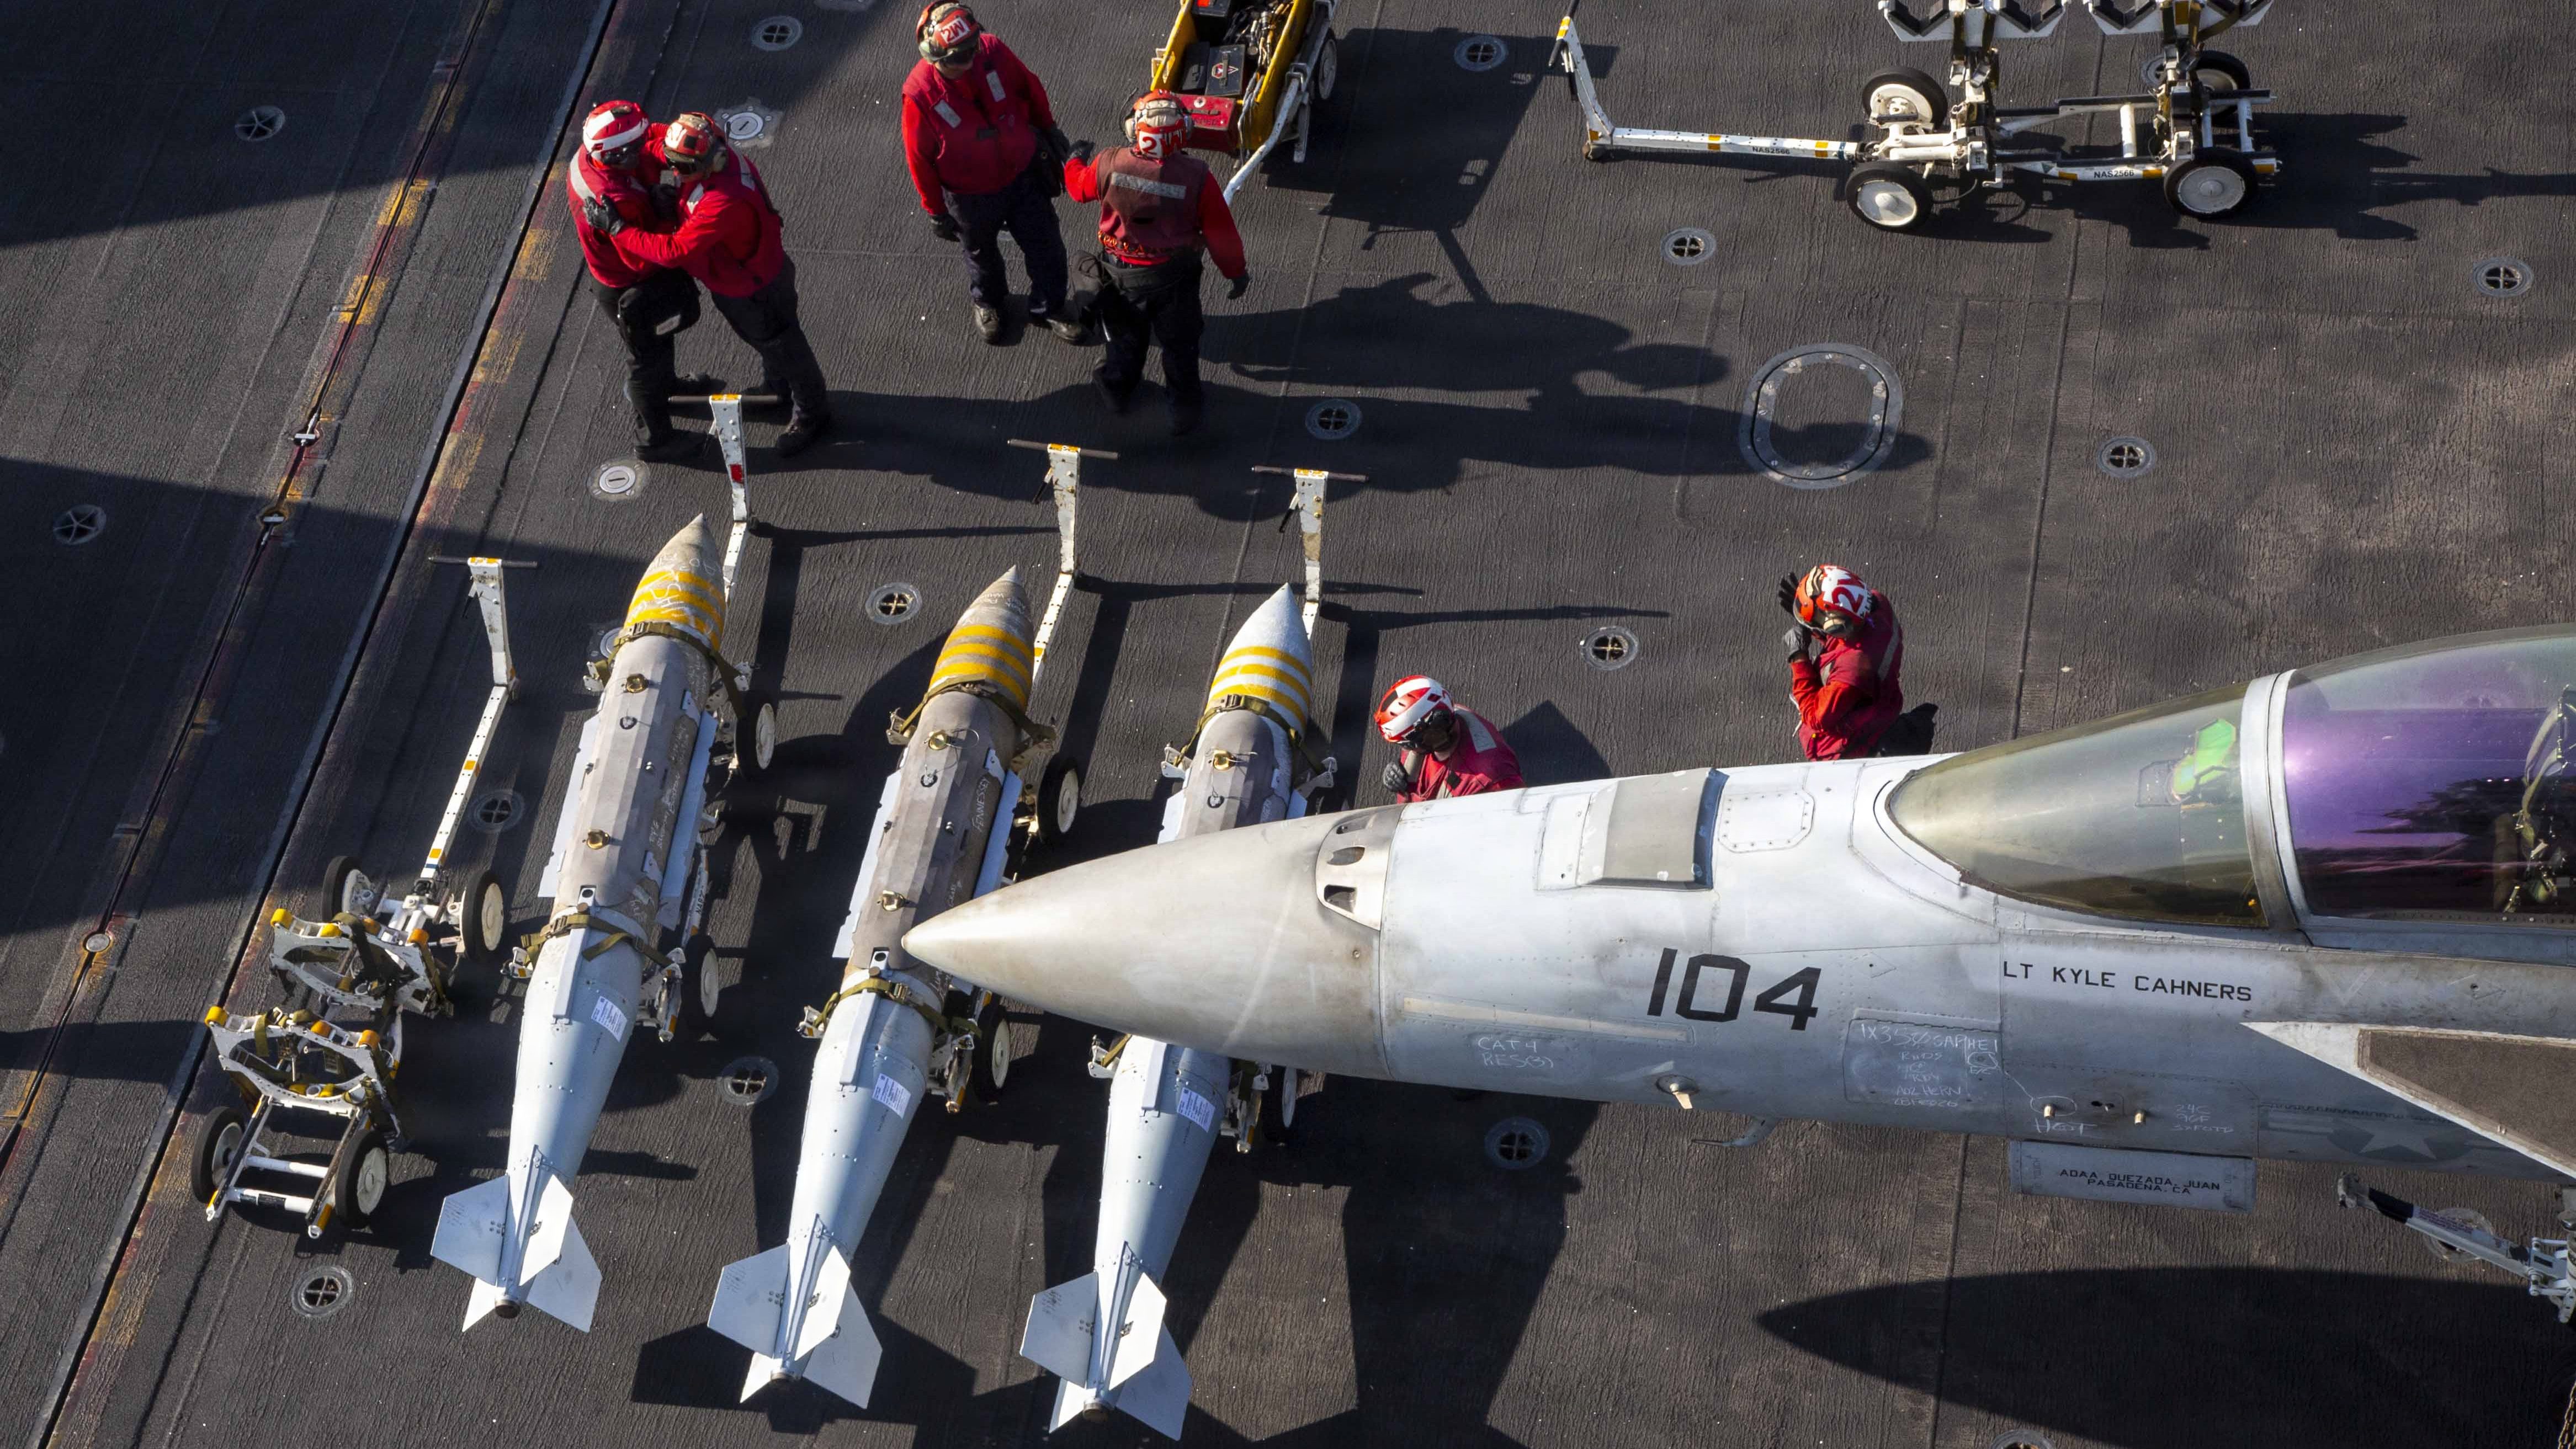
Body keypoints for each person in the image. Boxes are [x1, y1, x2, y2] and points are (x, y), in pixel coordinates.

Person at [586, 113, 833, 458]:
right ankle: (777, 391)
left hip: (753, 291)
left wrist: (618, 229)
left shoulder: (722, 201)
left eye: (681, 168)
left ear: (706, 165)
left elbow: (673, 251)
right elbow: (656, 139)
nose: (674, 172)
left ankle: (811, 413)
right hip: (748, 280)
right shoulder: (712, 156)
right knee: (768, 342)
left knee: (785, 348)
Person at [1063, 92, 1249, 436]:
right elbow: (1222, 235)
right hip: (1174, 280)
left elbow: (1077, 189)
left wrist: (1074, 160)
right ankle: (1184, 410)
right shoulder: (1197, 176)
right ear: (1184, 132)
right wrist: (1236, 274)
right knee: (1180, 346)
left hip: (1121, 278)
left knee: (1124, 340)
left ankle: (1117, 390)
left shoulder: (1109, 163)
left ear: (1135, 129)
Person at [902, 2, 1081, 345]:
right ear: (935, 56)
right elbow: (919, 159)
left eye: (971, 51)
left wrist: (1048, 126)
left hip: (1022, 174)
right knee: (980, 254)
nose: (968, 63)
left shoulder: (992, 50)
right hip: (969, 194)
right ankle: (989, 302)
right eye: (958, 59)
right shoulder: (920, 94)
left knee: (1047, 246)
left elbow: (1029, 86)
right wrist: (935, 210)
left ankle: (1049, 307)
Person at [567, 100, 710, 463]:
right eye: (638, 145)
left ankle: (669, 388)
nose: (647, 144)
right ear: (619, 155)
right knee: (646, 361)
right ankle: (654, 440)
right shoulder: (615, 200)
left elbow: (654, 141)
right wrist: (668, 218)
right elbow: (641, 258)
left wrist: (688, 142)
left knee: (660, 343)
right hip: (632, 285)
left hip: (616, 276)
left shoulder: (590, 158)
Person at [1778, 564, 1908, 760]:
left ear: (1837, 626)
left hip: (1844, 751)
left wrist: (1799, 657)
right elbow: (1850, 641)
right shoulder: (1878, 606)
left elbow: (1815, 717)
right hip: (1882, 703)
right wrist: (1817, 626)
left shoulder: (1852, 669)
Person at [1375, 676, 1523, 803]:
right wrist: (1398, 774)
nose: (1409, 749)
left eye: (1408, 744)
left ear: (1433, 733)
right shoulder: (1443, 711)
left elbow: (1514, 813)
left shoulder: (1492, 776)